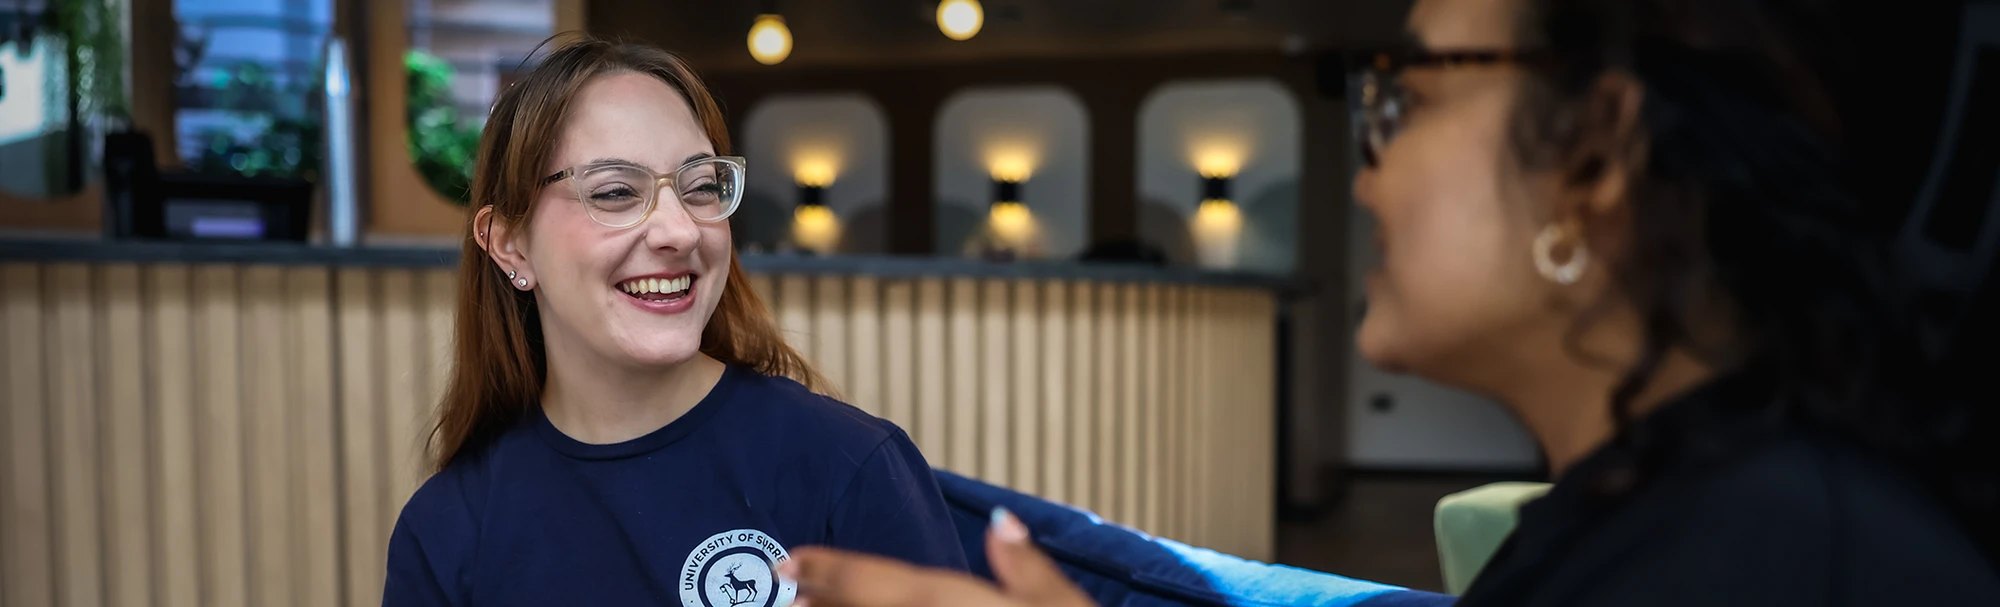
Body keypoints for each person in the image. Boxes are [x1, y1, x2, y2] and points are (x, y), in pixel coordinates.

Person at [777, 0, 2000, 605]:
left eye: (1406, 101)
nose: (1365, 176)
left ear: (1593, 159)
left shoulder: (1757, 559)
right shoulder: (1658, 509)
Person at [383, 35, 967, 606]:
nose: (681, 231)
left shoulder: (849, 465)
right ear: (510, 244)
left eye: (701, 187)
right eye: (616, 192)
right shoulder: (449, 530)